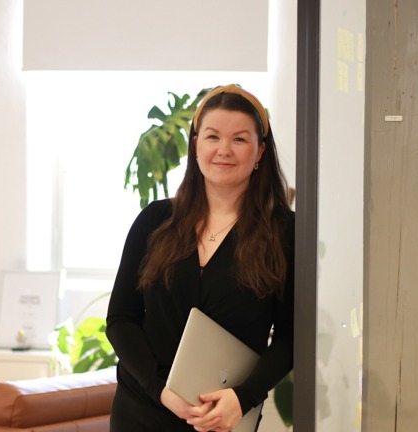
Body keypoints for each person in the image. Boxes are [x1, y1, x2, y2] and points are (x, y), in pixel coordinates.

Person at [106, 84, 294, 432]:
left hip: (223, 417)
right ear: (195, 145)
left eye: (239, 139)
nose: (224, 149)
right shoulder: (155, 221)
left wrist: (243, 398)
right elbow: (121, 318)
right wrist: (160, 390)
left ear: (260, 151)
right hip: (142, 408)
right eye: (212, 136)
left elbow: (289, 336)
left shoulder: (285, 233)